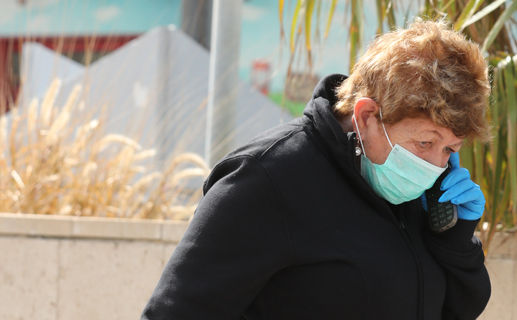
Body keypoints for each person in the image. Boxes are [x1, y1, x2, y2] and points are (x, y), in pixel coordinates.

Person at [141, 18, 491, 320]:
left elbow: (455, 310)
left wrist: (453, 241)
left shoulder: (422, 193)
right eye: (425, 143)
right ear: (367, 116)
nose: (434, 165)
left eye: (451, 149)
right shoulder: (265, 178)